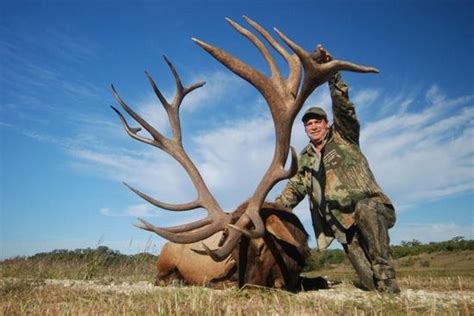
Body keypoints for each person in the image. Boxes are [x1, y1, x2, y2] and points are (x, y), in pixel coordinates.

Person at [275, 46, 400, 294]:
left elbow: (344, 109)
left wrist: (333, 76)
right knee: (369, 284)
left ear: (327, 123)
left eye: (316, 122)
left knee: (366, 211)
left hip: (372, 209)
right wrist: (271, 210)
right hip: (342, 226)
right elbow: (293, 190)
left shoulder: (345, 136)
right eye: (308, 124)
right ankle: (376, 283)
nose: (312, 127)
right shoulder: (306, 159)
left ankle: (388, 281)